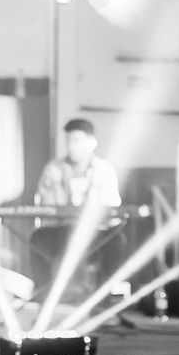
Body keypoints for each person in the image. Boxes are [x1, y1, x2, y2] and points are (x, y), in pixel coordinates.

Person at [30, 118, 123, 302]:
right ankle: (43, 295)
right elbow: (44, 205)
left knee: (117, 240)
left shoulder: (104, 170)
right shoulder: (53, 169)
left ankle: (103, 297)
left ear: (91, 143)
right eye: (68, 141)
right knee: (37, 239)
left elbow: (112, 207)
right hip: (62, 231)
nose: (71, 146)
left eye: (77, 141)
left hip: (94, 233)